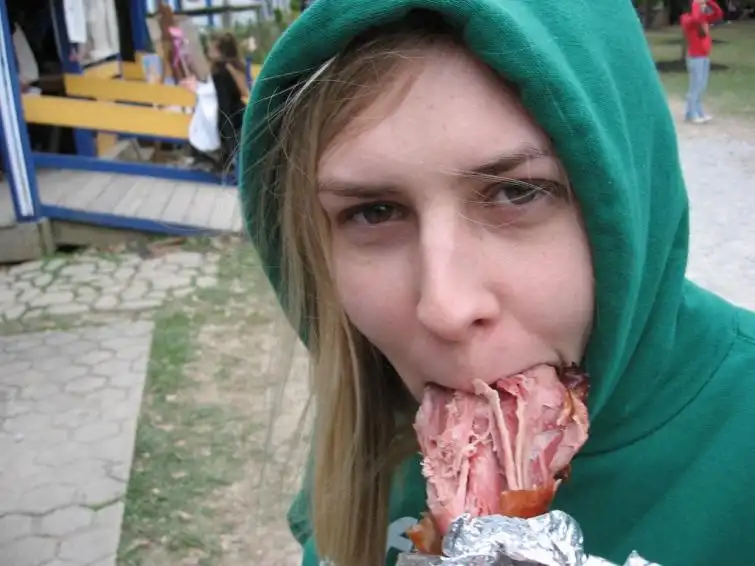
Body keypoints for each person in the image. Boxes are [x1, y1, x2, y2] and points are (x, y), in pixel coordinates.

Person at [239, 1, 755, 566]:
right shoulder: (371, 424)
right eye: (375, 211)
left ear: (628, 195)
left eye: (518, 192)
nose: (444, 308)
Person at [184, 32, 249, 173]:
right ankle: (222, 159)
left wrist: (196, 88)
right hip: (231, 112)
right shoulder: (232, 66)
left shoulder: (222, 70)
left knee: (216, 131)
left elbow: (218, 92)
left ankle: (216, 159)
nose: (208, 50)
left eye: (212, 48)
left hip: (225, 113)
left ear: (220, 51)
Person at [680, 0, 724, 123]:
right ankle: (692, 114)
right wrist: (696, 4)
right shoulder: (687, 19)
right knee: (695, 86)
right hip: (695, 57)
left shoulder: (704, 18)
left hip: (704, 56)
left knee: (702, 86)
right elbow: (695, 19)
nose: (703, 7)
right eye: (701, 5)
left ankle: (697, 112)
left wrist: (708, 2)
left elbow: (718, 14)